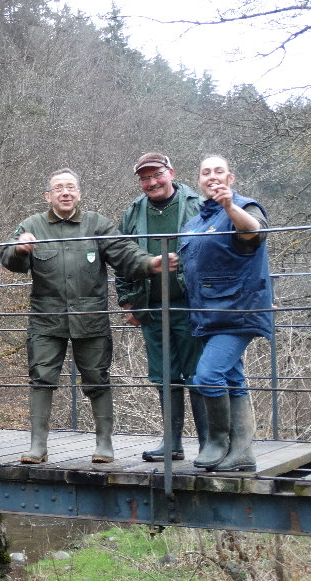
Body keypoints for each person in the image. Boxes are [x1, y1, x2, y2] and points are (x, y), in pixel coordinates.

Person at [0, 168, 177, 465]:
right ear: (48, 196)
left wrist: (150, 264)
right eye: (59, 188)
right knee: (41, 379)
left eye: (70, 187)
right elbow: (8, 260)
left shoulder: (97, 224)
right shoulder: (32, 226)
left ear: (79, 193)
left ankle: (104, 444)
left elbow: (124, 254)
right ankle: (37, 446)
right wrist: (19, 249)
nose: (65, 192)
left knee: (97, 379)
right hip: (46, 319)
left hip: (90, 317)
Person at [179, 155, 272, 472]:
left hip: (238, 313)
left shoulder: (244, 208)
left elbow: (254, 233)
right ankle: (242, 452)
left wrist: (230, 207)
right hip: (207, 317)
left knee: (207, 375)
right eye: (206, 172)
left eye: (219, 171)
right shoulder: (196, 222)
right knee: (232, 378)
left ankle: (218, 440)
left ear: (230, 178)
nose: (212, 177)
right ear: (199, 180)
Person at [116, 153, 207, 461]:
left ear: (171, 172)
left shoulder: (197, 204)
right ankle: (172, 444)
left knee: (198, 374)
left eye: (157, 175)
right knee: (164, 375)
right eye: (145, 178)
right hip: (151, 306)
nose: (151, 182)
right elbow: (121, 258)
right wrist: (127, 301)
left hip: (192, 303)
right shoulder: (133, 213)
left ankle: (210, 445)